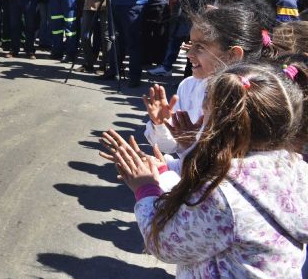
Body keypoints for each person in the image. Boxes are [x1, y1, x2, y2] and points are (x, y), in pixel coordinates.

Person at [103, 61, 308, 278]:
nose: (201, 118)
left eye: (206, 110)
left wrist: (145, 189)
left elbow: (165, 244)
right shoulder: (296, 167)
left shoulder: (221, 195)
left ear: (224, 123)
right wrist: (167, 167)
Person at [143, 5, 269, 160]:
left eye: (200, 47)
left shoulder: (258, 99)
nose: (189, 54)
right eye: (191, 44)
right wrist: (161, 124)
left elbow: (244, 166)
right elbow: (172, 146)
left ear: (232, 55)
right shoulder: (189, 86)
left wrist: (192, 150)